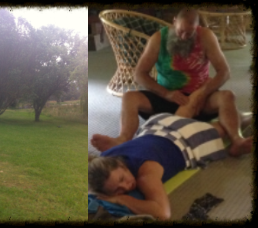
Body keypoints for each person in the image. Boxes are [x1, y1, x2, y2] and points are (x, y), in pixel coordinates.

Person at [90, 8, 252, 157]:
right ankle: (123, 139)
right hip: (166, 97)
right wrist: (166, 94)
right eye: (181, 31)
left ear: (197, 28)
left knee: (228, 96)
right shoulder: (158, 39)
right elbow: (140, 74)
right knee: (129, 97)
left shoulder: (206, 36)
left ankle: (237, 141)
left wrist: (201, 93)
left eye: (189, 33)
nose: (183, 36)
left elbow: (224, 72)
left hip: (199, 99)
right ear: (174, 22)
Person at [88, 103, 253, 220]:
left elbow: (163, 213)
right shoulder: (105, 159)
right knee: (191, 114)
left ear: (121, 165)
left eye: (122, 179)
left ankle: (248, 117)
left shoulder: (146, 174)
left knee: (226, 126)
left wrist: (122, 199)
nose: (126, 186)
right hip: (157, 126)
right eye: (118, 190)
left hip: (184, 137)